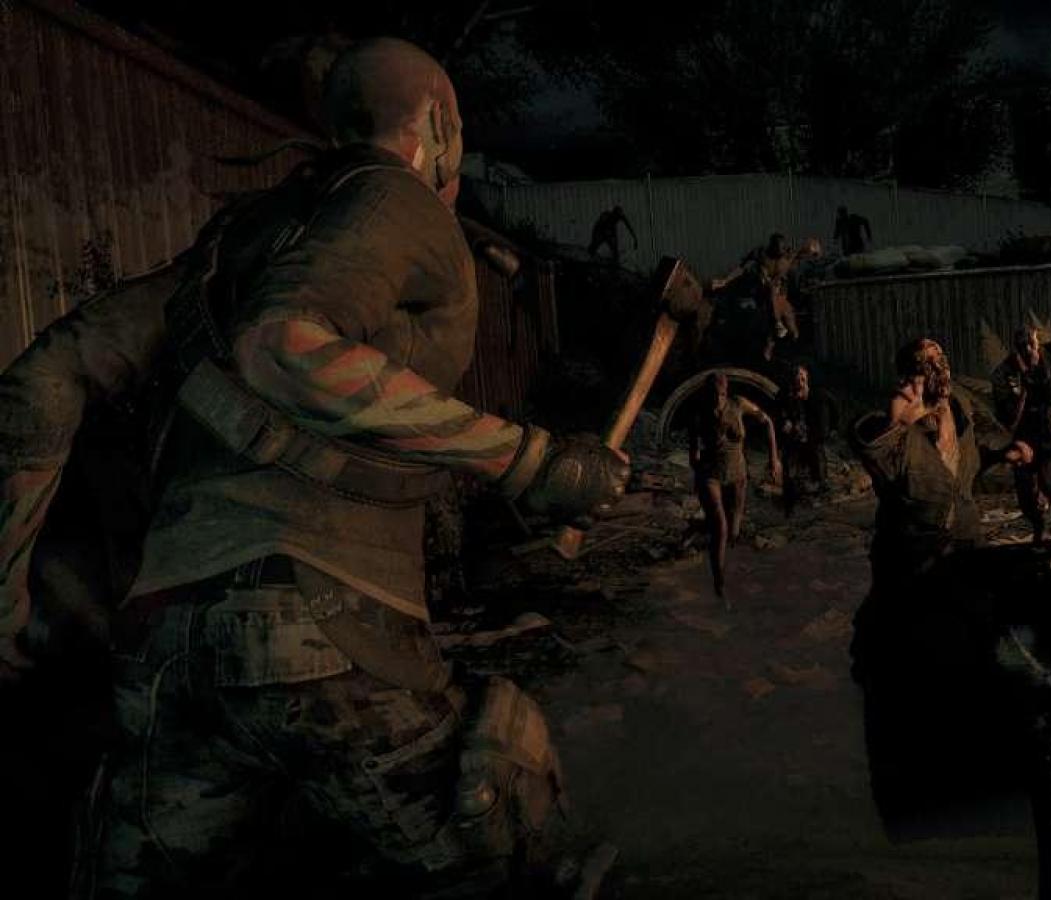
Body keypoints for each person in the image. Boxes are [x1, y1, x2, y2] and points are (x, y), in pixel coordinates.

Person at [0, 38, 627, 897]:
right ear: (438, 125)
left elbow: (39, 383)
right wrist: (528, 459)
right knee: (504, 832)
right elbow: (283, 344)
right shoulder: (397, 197)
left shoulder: (228, 245)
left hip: (164, 647)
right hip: (322, 625)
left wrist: (7, 602)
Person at [848, 338, 1035, 838]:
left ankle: (991, 780)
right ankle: (911, 799)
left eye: (941, 358)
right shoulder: (900, 422)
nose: (939, 367)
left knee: (991, 653)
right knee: (899, 664)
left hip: (967, 553)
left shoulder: (959, 412)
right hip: (912, 562)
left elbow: (967, 465)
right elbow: (870, 446)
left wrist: (1005, 453)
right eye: (927, 363)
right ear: (910, 373)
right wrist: (896, 422)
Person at [687, 372, 781, 603]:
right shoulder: (699, 414)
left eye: (721, 391)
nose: (718, 396)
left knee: (734, 531)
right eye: (713, 391)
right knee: (721, 528)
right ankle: (719, 583)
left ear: (726, 390)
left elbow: (767, 421)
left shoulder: (738, 404)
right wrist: (699, 474)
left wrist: (773, 458)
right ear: (707, 392)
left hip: (738, 475)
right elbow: (693, 453)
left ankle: (701, 530)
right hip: (712, 476)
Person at [991, 325, 1051, 543]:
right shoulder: (1005, 374)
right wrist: (1024, 386)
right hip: (1027, 438)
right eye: (1023, 346)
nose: (1029, 350)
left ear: (1038, 342)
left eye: (1032, 344)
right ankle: (1040, 529)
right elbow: (1010, 419)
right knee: (1030, 499)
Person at [713, 233, 821, 361]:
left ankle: (787, 345)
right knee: (770, 294)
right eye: (778, 250)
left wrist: (813, 249)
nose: (780, 253)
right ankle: (772, 334)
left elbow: (803, 250)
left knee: (792, 326)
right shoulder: (761, 254)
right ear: (772, 248)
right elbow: (741, 268)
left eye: (782, 251)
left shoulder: (786, 258)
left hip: (778, 294)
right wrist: (726, 280)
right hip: (761, 292)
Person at [776, 363, 833, 515]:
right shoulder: (785, 396)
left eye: (802, 377)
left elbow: (823, 425)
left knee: (817, 467)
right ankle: (790, 504)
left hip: (812, 439)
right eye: (797, 377)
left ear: (807, 378)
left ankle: (819, 495)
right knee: (790, 470)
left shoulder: (817, 397)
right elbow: (779, 415)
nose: (800, 381)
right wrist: (785, 423)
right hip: (793, 440)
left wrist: (811, 433)